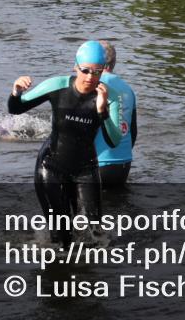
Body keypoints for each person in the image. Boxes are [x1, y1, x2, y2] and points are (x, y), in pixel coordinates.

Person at [8, 41, 122, 245]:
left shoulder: (109, 95)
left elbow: (113, 141)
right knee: (62, 238)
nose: (90, 77)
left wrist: (102, 110)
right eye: (85, 70)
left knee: (95, 235)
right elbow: (16, 108)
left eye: (96, 72)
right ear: (76, 67)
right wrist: (16, 91)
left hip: (86, 168)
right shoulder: (58, 85)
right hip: (51, 166)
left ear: (103, 71)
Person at [93, 41, 138, 187]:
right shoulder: (128, 89)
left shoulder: (93, 84)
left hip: (98, 164)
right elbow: (133, 131)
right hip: (124, 164)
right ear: (114, 62)